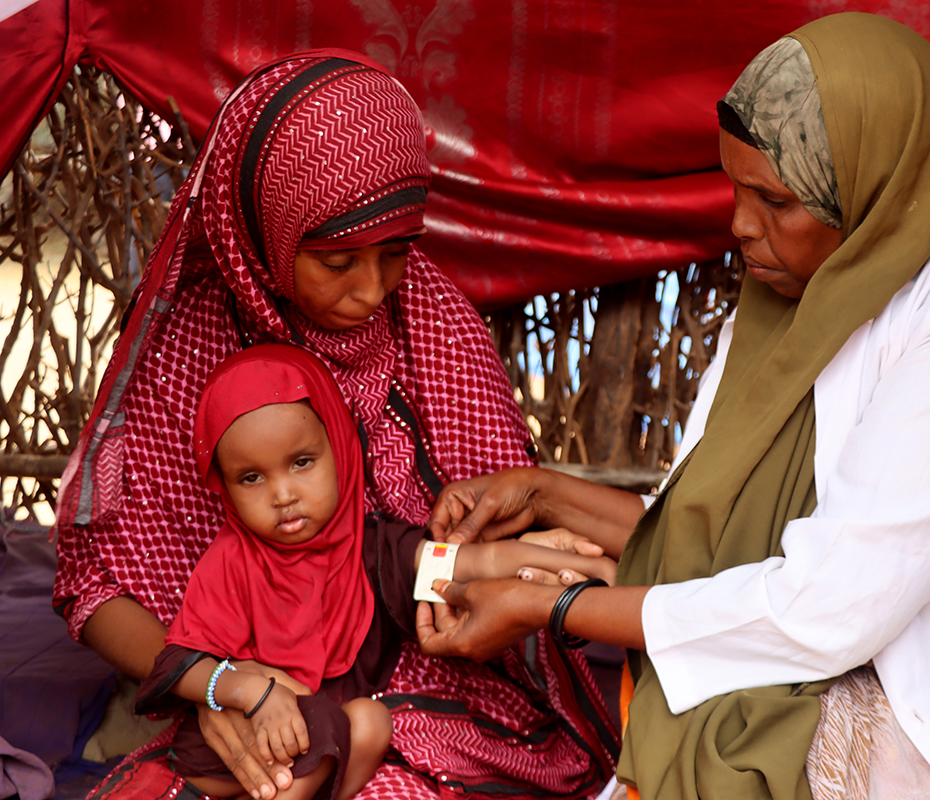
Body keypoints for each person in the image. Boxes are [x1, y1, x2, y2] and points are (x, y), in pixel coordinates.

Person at [415, 14, 930, 800]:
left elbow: (828, 603)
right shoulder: (787, 309)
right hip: (820, 682)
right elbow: (722, 546)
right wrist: (542, 493)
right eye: (737, 190)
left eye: (776, 200)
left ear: (873, 186)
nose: (742, 225)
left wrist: (554, 606)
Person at [53, 51, 617, 800]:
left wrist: (551, 562)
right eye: (337, 261)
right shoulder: (186, 347)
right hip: (236, 687)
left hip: (440, 677)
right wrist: (218, 686)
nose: (371, 290)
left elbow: (446, 562)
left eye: (393, 254)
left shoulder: (434, 324)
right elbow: (92, 587)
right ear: (270, 231)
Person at [133, 344, 615, 800]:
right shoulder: (232, 560)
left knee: (371, 722)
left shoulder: (375, 551)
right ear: (224, 486)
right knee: (328, 723)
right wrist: (253, 692)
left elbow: (474, 562)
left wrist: (588, 566)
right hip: (238, 750)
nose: (282, 495)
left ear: (340, 451)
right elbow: (180, 663)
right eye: (252, 477)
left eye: (301, 463)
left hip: (318, 745)